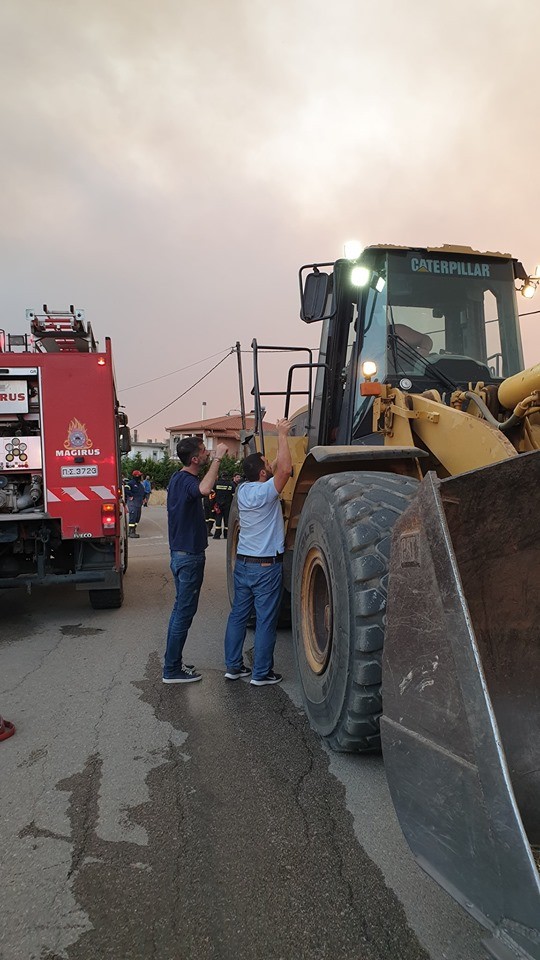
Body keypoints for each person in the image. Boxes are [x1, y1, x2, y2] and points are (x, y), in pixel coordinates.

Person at [223, 418, 292, 685]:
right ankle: (261, 674)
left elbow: (273, 468)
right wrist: (283, 435)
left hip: (243, 565)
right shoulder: (266, 493)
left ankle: (233, 667)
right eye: (266, 465)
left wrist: (268, 461)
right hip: (265, 568)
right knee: (265, 621)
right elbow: (285, 470)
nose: (270, 467)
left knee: (238, 617)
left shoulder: (243, 490)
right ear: (263, 474)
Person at [163, 436, 228, 684]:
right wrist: (219, 458)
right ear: (194, 459)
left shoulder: (177, 478)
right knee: (183, 613)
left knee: (180, 611)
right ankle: (171, 670)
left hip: (182, 555)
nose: (207, 453)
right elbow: (204, 489)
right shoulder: (189, 481)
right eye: (203, 451)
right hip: (189, 557)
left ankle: (173, 662)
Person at [213, 473, 235, 539]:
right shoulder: (231, 484)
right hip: (228, 505)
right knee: (227, 520)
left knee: (218, 519)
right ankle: (226, 535)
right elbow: (233, 494)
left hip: (218, 505)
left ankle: (217, 535)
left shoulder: (216, 484)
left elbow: (213, 493)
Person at [126, 470, 146, 537]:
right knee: (133, 517)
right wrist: (130, 495)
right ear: (136, 476)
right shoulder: (131, 483)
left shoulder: (140, 485)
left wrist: (144, 498)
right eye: (140, 475)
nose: (141, 477)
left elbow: (143, 492)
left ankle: (134, 530)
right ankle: (131, 532)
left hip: (138, 504)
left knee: (137, 518)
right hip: (133, 503)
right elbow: (126, 489)